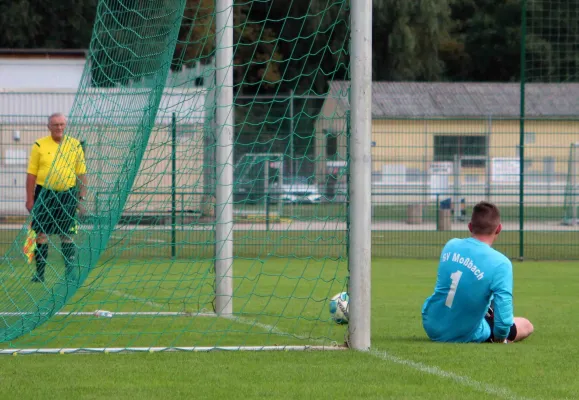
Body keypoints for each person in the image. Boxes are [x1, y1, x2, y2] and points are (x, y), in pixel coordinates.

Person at [421, 201, 534, 344]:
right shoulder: (501, 263)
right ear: (498, 229)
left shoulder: (451, 245)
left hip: (432, 324)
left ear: (470, 226)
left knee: (487, 297)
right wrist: (500, 336)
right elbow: (504, 317)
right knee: (526, 325)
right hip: (463, 333)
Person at [26, 113, 87, 283]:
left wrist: (81, 195)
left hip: (67, 195)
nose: (59, 127)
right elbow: (31, 174)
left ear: (65, 126)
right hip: (44, 194)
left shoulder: (74, 145)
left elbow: (81, 172)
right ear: (49, 127)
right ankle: (39, 274)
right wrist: (29, 199)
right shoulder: (39, 145)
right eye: (55, 125)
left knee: (67, 234)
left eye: (61, 124)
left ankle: (70, 272)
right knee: (41, 234)